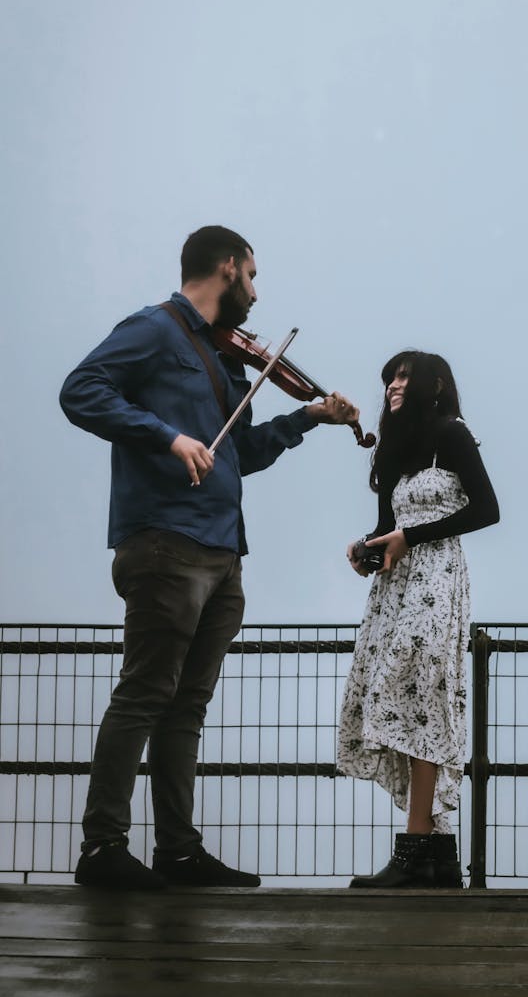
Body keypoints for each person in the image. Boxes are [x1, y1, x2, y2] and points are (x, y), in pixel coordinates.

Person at [59, 225, 359, 891]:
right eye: (252, 275)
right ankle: (102, 848)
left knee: (185, 707)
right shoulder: (155, 328)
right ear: (228, 268)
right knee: (144, 693)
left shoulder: (226, 360)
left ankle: (179, 851)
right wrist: (167, 438)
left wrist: (307, 418)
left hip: (223, 551)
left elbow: (238, 455)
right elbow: (81, 390)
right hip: (166, 541)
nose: (256, 291)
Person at [337, 350, 499, 888]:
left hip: (437, 579)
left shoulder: (452, 434)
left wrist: (412, 537)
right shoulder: (394, 449)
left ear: (433, 384)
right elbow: (389, 525)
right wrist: (368, 548)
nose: (393, 385)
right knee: (408, 697)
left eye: (404, 376)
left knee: (414, 695)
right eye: (389, 378)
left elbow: (486, 510)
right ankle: (436, 854)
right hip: (397, 586)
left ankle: (411, 852)